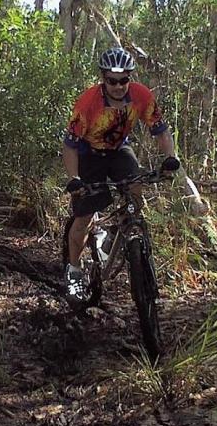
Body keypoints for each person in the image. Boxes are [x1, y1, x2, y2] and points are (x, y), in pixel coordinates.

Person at [62, 47, 180, 300]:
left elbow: (160, 130)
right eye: (112, 81)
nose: (118, 86)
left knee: (134, 191)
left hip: (118, 149)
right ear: (103, 79)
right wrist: (75, 178)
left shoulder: (141, 96)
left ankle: (116, 236)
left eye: (123, 80)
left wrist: (170, 157)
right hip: (88, 153)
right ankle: (73, 271)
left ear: (130, 77)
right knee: (83, 216)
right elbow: (70, 145)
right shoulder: (88, 103)